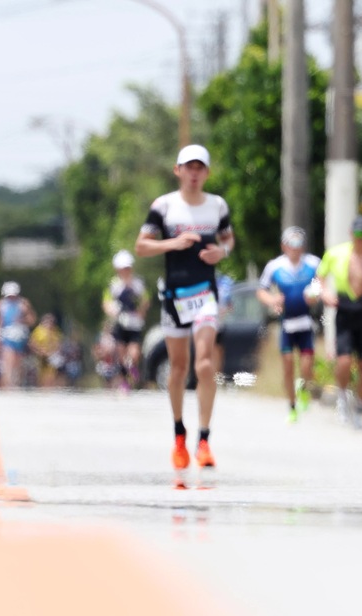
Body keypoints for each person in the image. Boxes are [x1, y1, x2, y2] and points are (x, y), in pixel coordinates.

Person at [134, 144, 235, 480]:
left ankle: (204, 439)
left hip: (205, 293)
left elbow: (228, 240)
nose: (194, 173)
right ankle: (179, 434)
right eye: (188, 167)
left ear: (206, 172)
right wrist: (171, 244)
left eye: (200, 168)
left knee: (204, 363)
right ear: (178, 171)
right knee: (177, 367)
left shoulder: (217, 205)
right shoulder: (163, 206)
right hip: (174, 295)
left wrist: (221, 252)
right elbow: (141, 246)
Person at [315, 215, 362, 429]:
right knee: (343, 361)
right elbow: (319, 277)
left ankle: (361, 407)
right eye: (357, 235)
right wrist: (325, 293)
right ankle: (342, 396)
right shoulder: (336, 253)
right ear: (351, 234)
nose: (360, 239)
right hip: (344, 309)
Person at [256, 227, 321, 424]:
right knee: (288, 365)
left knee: (307, 364)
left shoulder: (313, 263)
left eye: (299, 245)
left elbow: (322, 282)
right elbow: (261, 290)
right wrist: (273, 300)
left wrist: (315, 293)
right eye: (291, 245)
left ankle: (303, 390)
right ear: (284, 246)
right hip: (286, 323)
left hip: (305, 320)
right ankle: (292, 406)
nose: (295, 249)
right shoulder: (275, 266)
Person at [103, 249, 150, 390]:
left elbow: (145, 300)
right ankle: (124, 382)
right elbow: (106, 302)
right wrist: (112, 311)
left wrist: (141, 310)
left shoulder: (138, 283)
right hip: (120, 324)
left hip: (134, 324)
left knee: (134, 353)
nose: (125, 270)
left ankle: (133, 369)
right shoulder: (113, 285)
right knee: (121, 353)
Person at [0, 281, 37, 389]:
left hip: (19, 335)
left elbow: (32, 320)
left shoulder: (23, 304)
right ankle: (7, 385)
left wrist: (22, 320)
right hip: (7, 334)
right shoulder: (1, 305)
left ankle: (16, 383)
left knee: (18, 360)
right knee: (8, 358)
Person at [29, 313, 64, 388]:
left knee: (51, 375)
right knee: (40, 376)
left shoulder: (56, 332)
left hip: (51, 357)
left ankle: (50, 389)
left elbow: (59, 344)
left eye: (51, 322)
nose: (50, 324)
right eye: (48, 321)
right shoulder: (38, 331)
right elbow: (32, 343)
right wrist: (39, 351)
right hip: (40, 357)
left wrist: (53, 352)